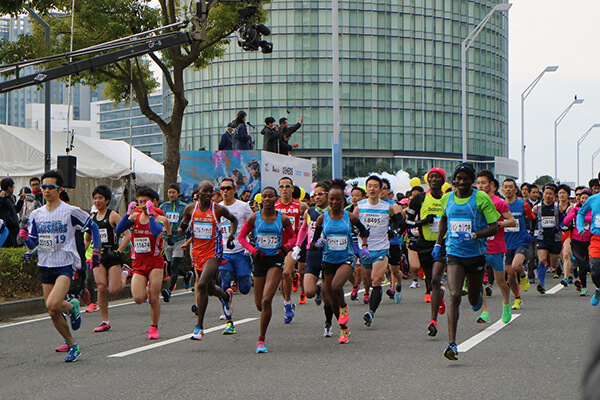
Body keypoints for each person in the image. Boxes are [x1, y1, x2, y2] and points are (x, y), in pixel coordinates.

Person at [20, 169, 101, 362]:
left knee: (53, 303)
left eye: (51, 187)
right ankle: (73, 345)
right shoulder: (36, 215)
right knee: (52, 311)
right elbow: (34, 242)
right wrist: (26, 241)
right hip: (45, 265)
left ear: (60, 189)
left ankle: (72, 306)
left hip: (65, 265)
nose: (47, 190)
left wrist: (96, 251)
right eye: (44, 187)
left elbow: (93, 227)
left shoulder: (70, 211)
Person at [432, 163, 500, 361]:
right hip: (454, 253)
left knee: (472, 300)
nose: (461, 182)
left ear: (472, 181)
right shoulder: (447, 198)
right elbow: (444, 219)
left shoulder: (481, 198)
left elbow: (494, 227)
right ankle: (452, 343)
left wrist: (474, 235)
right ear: (454, 180)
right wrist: (438, 243)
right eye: (458, 178)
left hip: (476, 254)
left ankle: (477, 295)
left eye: (465, 179)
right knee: (454, 295)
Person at [310, 179, 369, 343]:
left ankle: (344, 307)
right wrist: (318, 243)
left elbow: (364, 231)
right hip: (328, 259)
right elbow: (314, 241)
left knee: (337, 287)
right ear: (328, 200)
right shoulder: (323, 219)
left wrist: (364, 246)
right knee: (329, 297)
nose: (335, 202)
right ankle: (344, 330)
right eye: (332, 199)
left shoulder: (350, 217)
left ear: (344, 200)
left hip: (346, 259)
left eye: (338, 199)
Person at [238, 186, 296, 353]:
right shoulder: (254, 218)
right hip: (259, 260)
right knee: (259, 305)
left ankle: (261, 340)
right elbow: (241, 237)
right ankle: (277, 310)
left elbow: (293, 237)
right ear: (261, 199)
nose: (268, 199)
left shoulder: (282, 219)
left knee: (266, 300)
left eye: (271, 196)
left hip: (276, 260)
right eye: (265, 196)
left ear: (275, 199)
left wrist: (286, 247)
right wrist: (253, 250)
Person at [179, 180, 237, 341]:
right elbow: (181, 229)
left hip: (214, 253)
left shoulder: (218, 209)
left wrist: (231, 235)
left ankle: (199, 327)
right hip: (197, 253)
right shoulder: (190, 209)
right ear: (197, 192)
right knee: (210, 289)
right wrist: (182, 228)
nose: (207, 194)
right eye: (204, 191)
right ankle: (226, 297)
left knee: (202, 284)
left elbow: (234, 220)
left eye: (210, 191)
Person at [115, 187, 170, 340]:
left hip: (155, 262)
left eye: (146, 202)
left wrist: (151, 214)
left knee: (153, 297)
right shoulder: (134, 218)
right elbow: (118, 230)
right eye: (140, 202)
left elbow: (154, 231)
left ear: (154, 202)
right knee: (138, 299)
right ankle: (139, 281)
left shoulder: (160, 219)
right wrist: (127, 213)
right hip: (138, 263)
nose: (143, 204)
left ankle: (154, 326)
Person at [354, 175, 405, 327]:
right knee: (369, 281)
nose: (372, 189)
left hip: (382, 248)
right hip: (365, 250)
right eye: (369, 186)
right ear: (366, 188)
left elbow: (399, 224)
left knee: (377, 279)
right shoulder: (359, 207)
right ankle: (372, 302)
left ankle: (371, 312)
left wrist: (393, 231)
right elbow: (351, 226)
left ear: (380, 189)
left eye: (376, 186)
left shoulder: (387, 207)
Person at [405, 167, 448, 337]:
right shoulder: (419, 199)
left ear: (443, 181)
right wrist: (422, 222)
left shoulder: (448, 198)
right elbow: (406, 223)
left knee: (437, 279)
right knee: (431, 282)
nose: (434, 180)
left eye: (437, 177)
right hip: (424, 244)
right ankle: (439, 296)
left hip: (443, 244)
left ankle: (433, 321)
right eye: (431, 177)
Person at [85, 185, 132, 332]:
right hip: (98, 256)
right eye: (95, 198)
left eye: (100, 198)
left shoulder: (113, 216)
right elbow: (87, 238)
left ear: (107, 200)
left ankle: (125, 272)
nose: (97, 201)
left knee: (115, 290)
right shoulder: (91, 218)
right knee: (101, 287)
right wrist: (80, 254)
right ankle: (105, 320)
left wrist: (119, 250)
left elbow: (127, 235)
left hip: (112, 256)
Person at [475, 171, 516, 324]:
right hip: (479, 247)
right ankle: (484, 311)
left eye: (483, 183)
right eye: (478, 183)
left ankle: (506, 303)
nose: (480, 186)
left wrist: (497, 224)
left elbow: (512, 221)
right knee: (478, 279)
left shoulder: (498, 202)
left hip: (496, 247)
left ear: (492, 185)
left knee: (500, 282)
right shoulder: (474, 202)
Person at [293, 182, 330, 333]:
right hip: (312, 253)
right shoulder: (310, 212)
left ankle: (328, 324)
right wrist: (297, 245)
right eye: (315, 194)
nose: (317, 197)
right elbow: (303, 230)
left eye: (320, 194)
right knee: (308, 292)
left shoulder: (334, 212)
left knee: (329, 297)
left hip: (329, 254)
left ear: (328, 194)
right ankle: (318, 288)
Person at [218, 177, 253, 334]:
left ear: (234, 190)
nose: (225, 191)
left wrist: (250, 243)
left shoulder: (243, 206)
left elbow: (252, 223)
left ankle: (241, 281)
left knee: (245, 288)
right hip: (223, 253)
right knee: (224, 284)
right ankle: (229, 322)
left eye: (228, 188)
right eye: (223, 188)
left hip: (240, 251)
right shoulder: (216, 208)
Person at [275, 177, 308, 323]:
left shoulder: (300, 206)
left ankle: (287, 303)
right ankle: (287, 302)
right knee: (282, 277)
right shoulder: (274, 206)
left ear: (292, 189)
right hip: (276, 245)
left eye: (287, 186)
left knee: (285, 272)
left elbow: (310, 221)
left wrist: (306, 232)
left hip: (292, 245)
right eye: (281, 186)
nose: (284, 189)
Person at [501, 178, 534, 310]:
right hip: (506, 242)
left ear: (516, 190)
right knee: (509, 275)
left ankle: (523, 275)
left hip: (521, 241)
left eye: (511, 187)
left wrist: (531, 232)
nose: (508, 189)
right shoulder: (499, 206)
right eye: (506, 187)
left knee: (516, 265)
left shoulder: (523, 205)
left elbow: (533, 218)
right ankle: (517, 298)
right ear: (502, 190)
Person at [160, 183, 194, 302]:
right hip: (167, 239)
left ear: (178, 193)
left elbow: (189, 220)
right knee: (170, 265)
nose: (171, 195)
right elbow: (160, 221)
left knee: (174, 265)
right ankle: (186, 275)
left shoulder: (184, 207)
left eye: (173, 192)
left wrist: (184, 228)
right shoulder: (164, 206)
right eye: (169, 192)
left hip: (179, 240)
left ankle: (169, 292)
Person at [532, 183, 562, 295]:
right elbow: (533, 221)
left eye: (550, 194)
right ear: (542, 194)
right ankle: (542, 284)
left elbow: (563, 220)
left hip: (555, 238)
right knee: (542, 260)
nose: (548, 196)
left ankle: (558, 266)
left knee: (553, 264)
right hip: (542, 237)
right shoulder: (537, 208)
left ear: (554, 195)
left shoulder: (557, 207)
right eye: (546, 193)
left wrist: (559, 227)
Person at [565, 188, 592, 296]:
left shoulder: (593, 209)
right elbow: (566, 221)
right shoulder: (575, 208)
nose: (584, 200)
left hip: (589, 240)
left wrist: (581, 215)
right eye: (582, 198)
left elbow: (592, 219)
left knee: (589, 265)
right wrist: (574, 214)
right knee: (582, 264)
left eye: (586, 198)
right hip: (576, 240)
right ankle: (584, 288)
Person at [0, 177, 19, 247]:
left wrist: (20, 201)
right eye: (13, 187)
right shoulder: (3, 198)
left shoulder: (9, 198)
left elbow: (14, 210)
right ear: (9, 188)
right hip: (8, 230)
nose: (13, 189)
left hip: (13, 231)